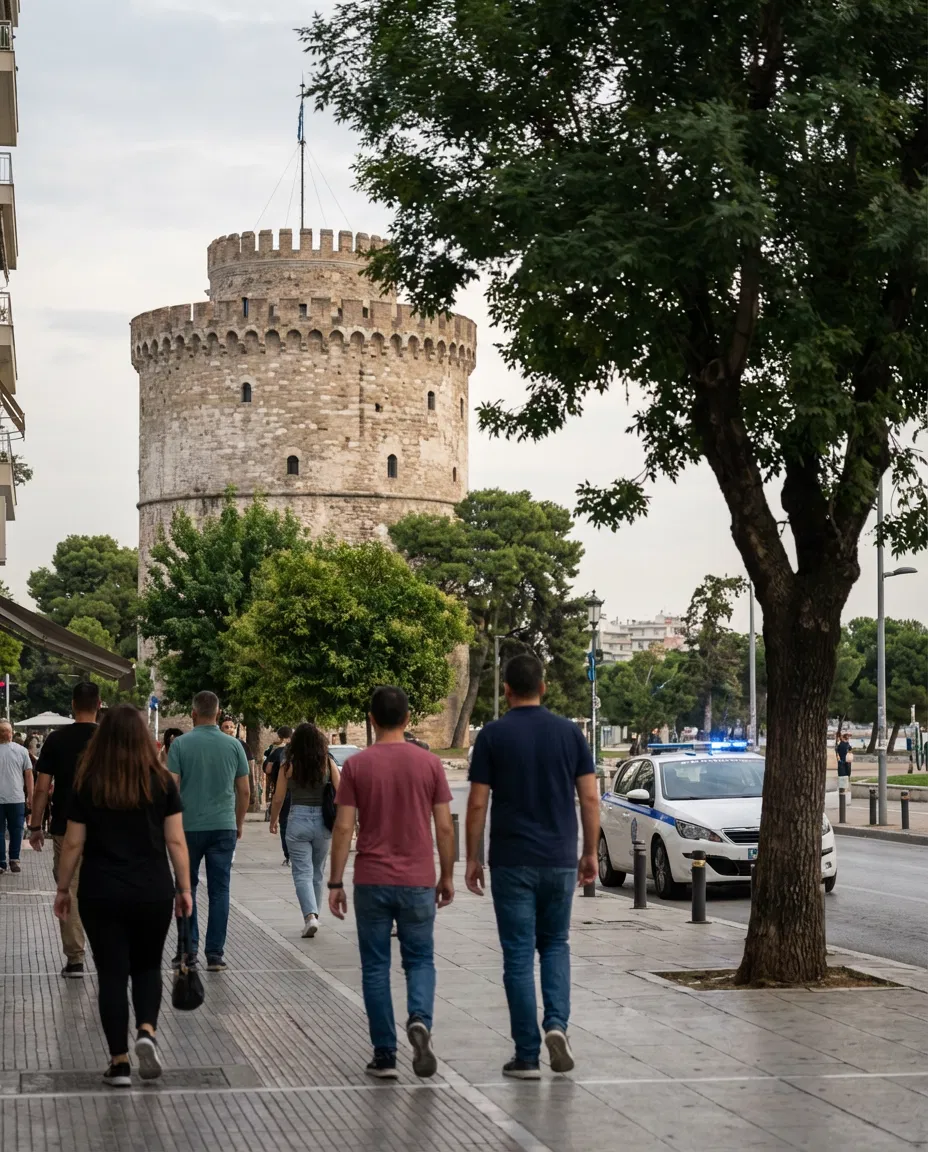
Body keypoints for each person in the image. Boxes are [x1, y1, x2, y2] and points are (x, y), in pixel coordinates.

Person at [466, 653, 600, 1080]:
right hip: (559, 858)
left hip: (511, 860)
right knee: (556, 945)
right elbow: (591, 797)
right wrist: (590, 852)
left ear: (506, 689)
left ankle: (526, 1054)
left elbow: (477, 802)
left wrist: (471, 857)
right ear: (543, 687)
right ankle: (557, 1025)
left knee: (518, 957)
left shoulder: (492, 735)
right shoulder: (570, 734)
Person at [53, 704, 192, 1088]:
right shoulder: (162, 782)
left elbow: (73, 843)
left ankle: (119, 1062)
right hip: (153, 890)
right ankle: (146, 1029)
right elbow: (176, 840)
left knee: (112, 974)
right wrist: (184, 888)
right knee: (148, 966)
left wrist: (63, 889)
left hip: (101, 890)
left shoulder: (88, 782)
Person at [329, 686, 455, 1081]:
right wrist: (447, 873)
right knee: (420, 959)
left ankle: (384, 1054)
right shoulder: (429, 764)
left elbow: (344, 825)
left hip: (372, 879)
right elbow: (445, 826)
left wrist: (335, 882)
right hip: (418, 879)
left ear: (371, 719)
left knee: (375, 967)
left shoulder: (357, 767)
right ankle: (419, 1017)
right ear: (407, 719)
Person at [168, 690, 249, 972]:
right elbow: (245, 790)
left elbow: (171, 787)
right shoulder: (234, 746)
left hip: (187, 829)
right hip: (223, 826)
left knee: (185, 887)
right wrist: (238, 822)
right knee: (220, 890)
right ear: (218, 713)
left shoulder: (179, 746)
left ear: (193, 713)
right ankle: (215, 953)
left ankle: (188, 950)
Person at [29, 682, 101, 977]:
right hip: (105, 827)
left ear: (73, 705)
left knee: (68, 890)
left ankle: (75, 959)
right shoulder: (107, 739)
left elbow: (43, 788)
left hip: (64, 826)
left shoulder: (56, 740)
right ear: (98, 704)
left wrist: (35, 825)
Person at [270, 722, 340, 937]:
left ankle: (309, 916)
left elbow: (279, 797)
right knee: (317, 872)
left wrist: (273, 820)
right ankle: (315, 916)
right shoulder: (327, 763)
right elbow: (342, 790)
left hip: (297, 819)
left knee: (302, 872)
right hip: (323, 821)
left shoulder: (287, 765)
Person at [0, 719, 33, 875]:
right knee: (16, 830)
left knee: (0, 832)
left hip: (6, 799)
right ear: (10, 734)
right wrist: (30, 796)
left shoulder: (21, 751)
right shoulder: (22, 751)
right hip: (16, 798)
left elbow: (28, 775)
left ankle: (1, 862)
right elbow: (29, 775)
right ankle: (14, 859)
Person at [264, 726, 293, 863]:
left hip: (282, 788)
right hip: (297, 791)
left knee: (284, 821)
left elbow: (268, 769)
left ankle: (288, 854)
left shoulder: (277, 750)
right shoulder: (296, 751)